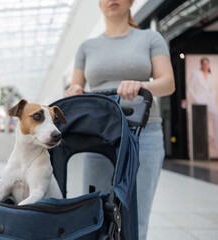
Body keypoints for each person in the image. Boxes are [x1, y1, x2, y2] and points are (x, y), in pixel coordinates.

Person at [64, 0, 175, 239]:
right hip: (99, 136)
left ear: (131, 1)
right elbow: (76, 86)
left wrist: (141, 84)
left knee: (137, 217)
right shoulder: (87, 47)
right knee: (96, 213)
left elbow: (168, 83)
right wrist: (73, 91)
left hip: (143, 134)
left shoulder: (150, 39)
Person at [188, 57, 218, 154]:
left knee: (216, 116)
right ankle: (201, 147)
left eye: (207, 64)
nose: (206, 66)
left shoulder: (210, 76)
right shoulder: (196, 74)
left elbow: (213, 90)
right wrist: (196, 99)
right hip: (199, 101)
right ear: (201, 65)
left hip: (209, 101)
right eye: (204, 64)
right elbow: (190, 88)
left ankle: (216, 143)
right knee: (200, 124)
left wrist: (212, 100)